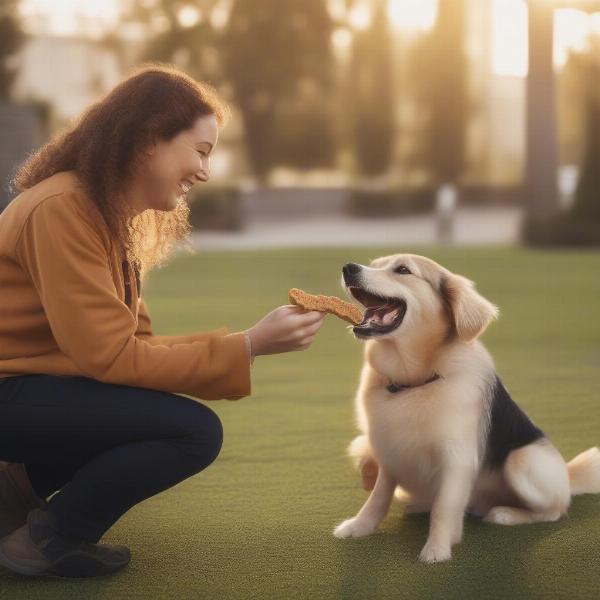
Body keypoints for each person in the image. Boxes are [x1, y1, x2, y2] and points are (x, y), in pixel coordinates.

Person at [0, 64, 326, 579]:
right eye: (200, 151)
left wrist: (250, 343)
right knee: (192, 432)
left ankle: (15, 488)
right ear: (149, 139)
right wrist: (249, 345)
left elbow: (137, 346)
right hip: (11, 393)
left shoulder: (106, 219)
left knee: (160, 412)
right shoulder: (62, 207)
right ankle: (48, 537)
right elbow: (108, 357)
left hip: (29, 393)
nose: (205, 172)